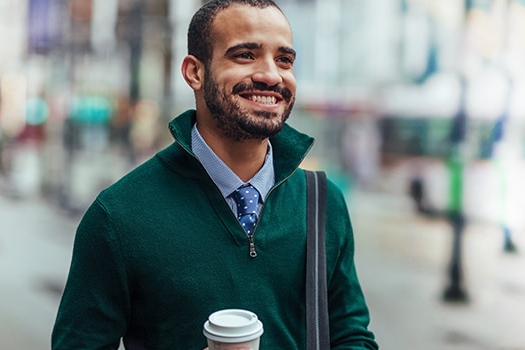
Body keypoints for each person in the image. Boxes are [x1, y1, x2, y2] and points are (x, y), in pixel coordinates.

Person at [51, 0, 378, 348]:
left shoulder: (322, 203)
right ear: (195, 72)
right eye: (245, 55)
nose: (271, 75)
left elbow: (351, 335)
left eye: (284, 59)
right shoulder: (118, 216)